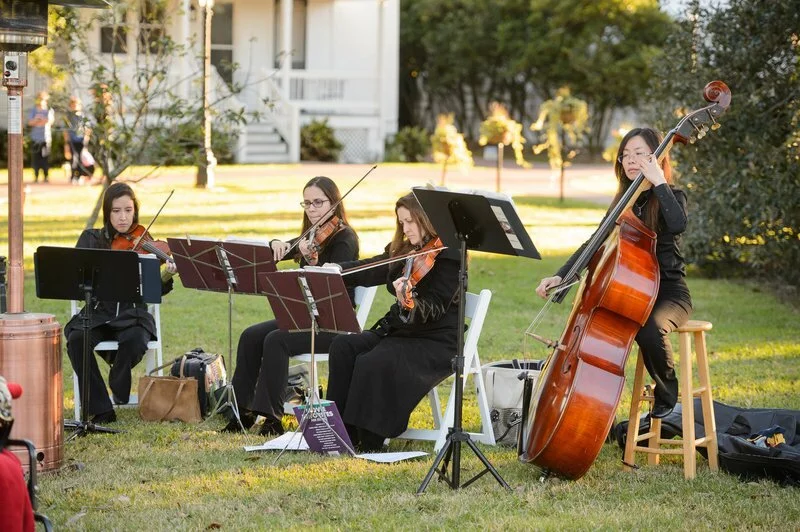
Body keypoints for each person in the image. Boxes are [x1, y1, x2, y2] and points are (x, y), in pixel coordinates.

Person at [535, 127, 692, 419]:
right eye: (625, 155)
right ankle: (590, 406)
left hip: (669, 292)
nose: (631, 160)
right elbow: (593, 244)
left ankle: (668, 395)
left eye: (640, 154)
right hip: (628, 293)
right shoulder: (623, 203)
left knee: (650, 329)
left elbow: (678, 224)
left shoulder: (672, 196)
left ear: (657, 157)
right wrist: (562, 277)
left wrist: (658, 182)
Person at [324, 192, 461, 452]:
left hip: (435, 338)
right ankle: (340, 432)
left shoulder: (450, 255)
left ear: (428, 220)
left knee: (373, 360)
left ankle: (370, 438)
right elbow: (375, 266)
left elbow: (434, 307)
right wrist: (338, 271)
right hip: (401, 330)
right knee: (343, 347)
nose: (405, 228)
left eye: (411, 221)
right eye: (401, 222)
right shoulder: (407, 248)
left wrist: (408, 300)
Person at [223, 176, 359, 436]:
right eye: (307, 203)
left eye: (318, 202)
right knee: (251, 336)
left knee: (276, 340)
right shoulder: (311, 235)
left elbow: (329, 285)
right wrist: (275, 243)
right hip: (305, 318)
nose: (312, 209)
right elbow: (282, 249)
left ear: (334, 203)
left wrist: (311, 260)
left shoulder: (345, 238)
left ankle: (272, 418)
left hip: (334, 324)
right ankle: (242, 413)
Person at [64, 182, 177, 423]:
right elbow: (76, 276)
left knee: (136, 339)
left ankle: (119, 372)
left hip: (132, 314)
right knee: (76, 339)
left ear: (135, 211)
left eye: (128, 210)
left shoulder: (146, 242)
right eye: (116, 211)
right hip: (98, 313)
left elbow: (156, 290)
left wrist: (166, 273)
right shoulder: (91, 238)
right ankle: (102, 408)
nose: (123, 217)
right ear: (107, 212)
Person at [63, 96, 94, 185]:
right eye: (72, 105)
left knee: (81, 159)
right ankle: (73, 176)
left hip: (81, 141)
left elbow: (88, 129)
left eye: (76, 104)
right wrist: (66, 143)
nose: (75, 106)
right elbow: (65, 131)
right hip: (72, 141)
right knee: (74, 159)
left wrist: (86, 140)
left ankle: (79, 176)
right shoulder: (68, 117)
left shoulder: (83, 117)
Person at [26, 91, 54, 184]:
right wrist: (38, 121)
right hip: (35, 139)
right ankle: (36, 176)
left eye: (42, 99)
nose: (41, 101)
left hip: (45, 138)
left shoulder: (48, 110)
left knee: (45, 157)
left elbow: (49, 121)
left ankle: (46, 176)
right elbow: (30, 122)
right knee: (35, 158)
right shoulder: (33, 110)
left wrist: (37, 121)